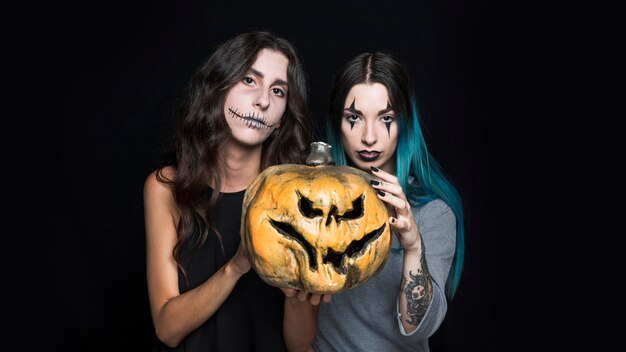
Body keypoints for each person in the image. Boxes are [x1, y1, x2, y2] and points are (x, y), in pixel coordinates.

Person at [283, 51, 465, 351]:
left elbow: (416, 326)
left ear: (405, 123)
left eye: (386, 119)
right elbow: (298, 342)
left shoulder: (433, 212)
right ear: (337, 123)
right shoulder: (312, 203)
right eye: (354, 118)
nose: (369, 136)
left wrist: (412, 244)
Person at [143, 31, 313, 351]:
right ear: (218, 89)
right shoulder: (165, 188)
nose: (263, 100)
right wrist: (237, 265)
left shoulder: (297, 197)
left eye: (278, 91)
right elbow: (167, 329)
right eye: (250, 80)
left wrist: (298, 293)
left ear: (280, 120)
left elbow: (300, 344)